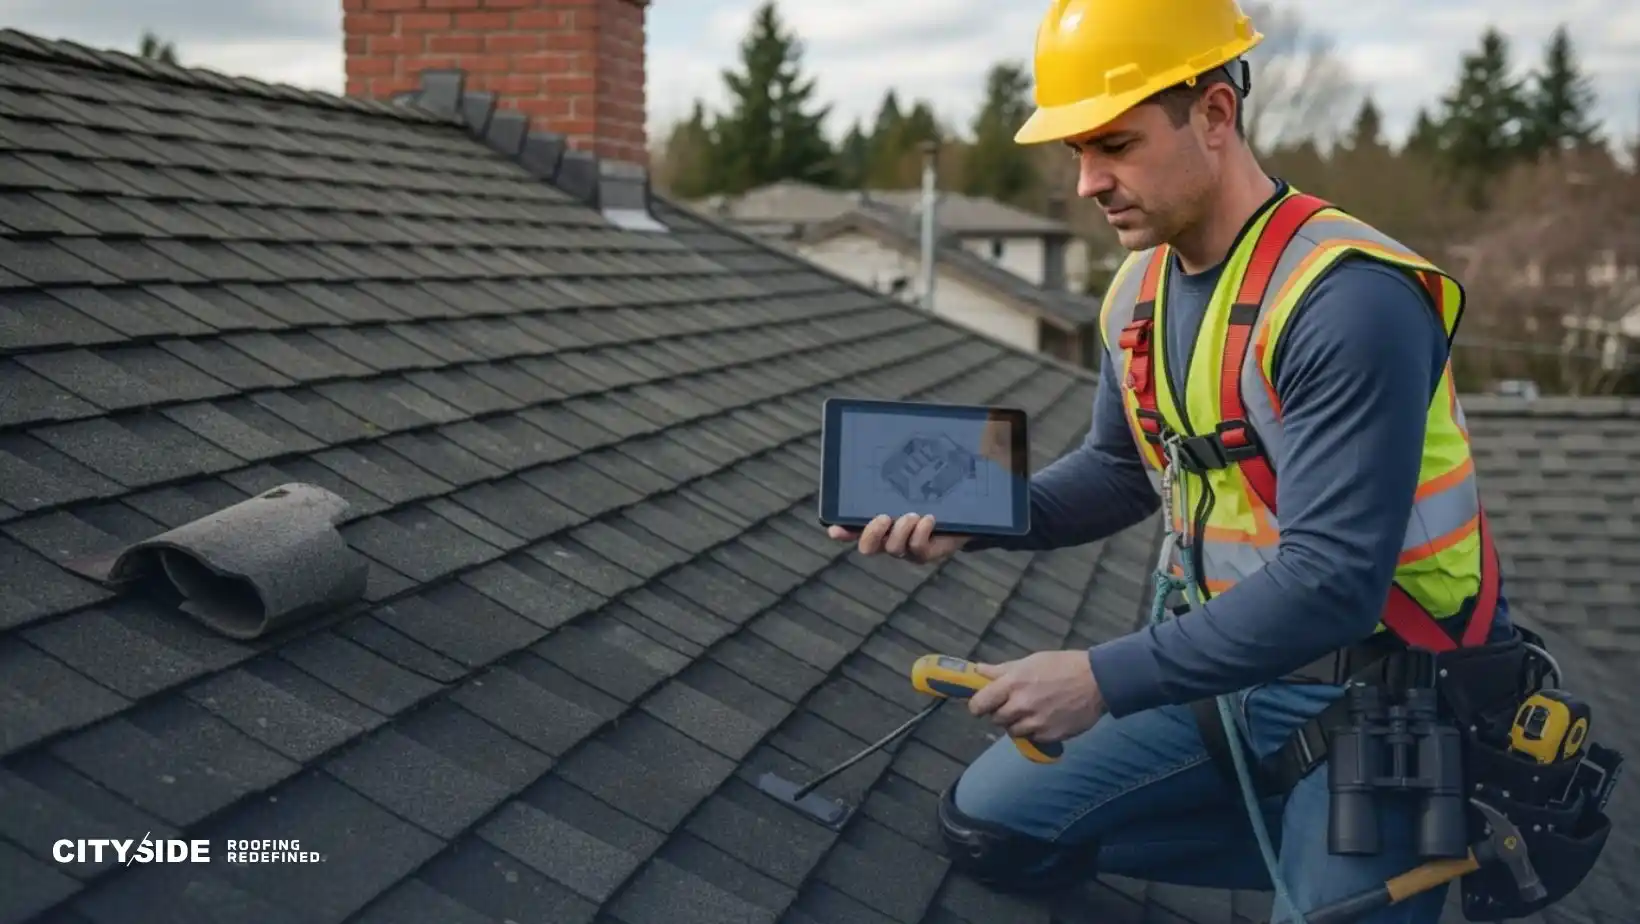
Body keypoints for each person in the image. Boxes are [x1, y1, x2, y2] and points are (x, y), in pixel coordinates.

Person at [824, 1, 1512, 921]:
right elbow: (1118, 471)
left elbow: (1335, 582)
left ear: (1216, 115)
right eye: (1075, 152)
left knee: (1332, 909)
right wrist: (979, 516)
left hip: (1381, 697)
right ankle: (1301, 824)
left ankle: (1379, 844)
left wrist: (1101, 678)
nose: (1086, 183)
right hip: (1227, 676)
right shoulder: (1140, 289)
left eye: (1114, 144)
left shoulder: (1347, 302)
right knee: (991, 829)